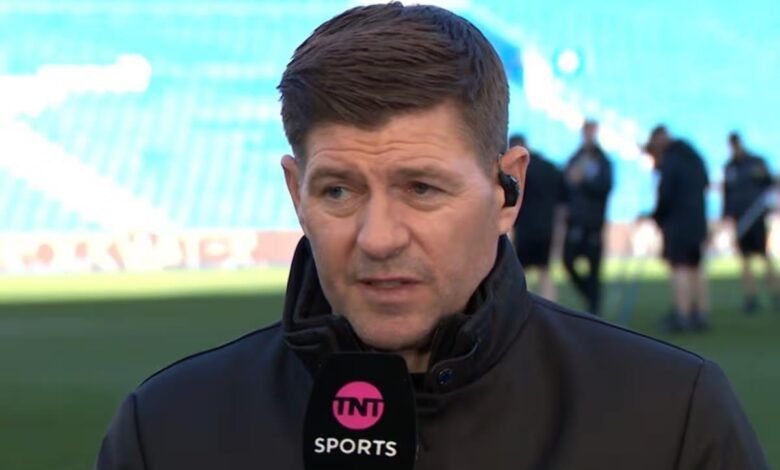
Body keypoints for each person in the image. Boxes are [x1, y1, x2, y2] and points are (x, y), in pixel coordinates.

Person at [96, 4, 767, 469]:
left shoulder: (671, 418)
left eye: (421, 188)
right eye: (338, 192)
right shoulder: (167, 429)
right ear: (296, 194)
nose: (379, 238)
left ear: (508, 190)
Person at [645, 125, 711, 332]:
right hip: (697, 219)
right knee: (696, 266)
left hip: (678, 222)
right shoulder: (694, 157)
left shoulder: (671, 161)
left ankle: (682, 314)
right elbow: (705, 182)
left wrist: (657, 215)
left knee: (679, 267)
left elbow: (665, 194)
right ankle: (700, 312)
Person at [723, 132, 780, 313]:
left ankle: (776, 294)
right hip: (740, 219)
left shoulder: (757, 162)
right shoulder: (730, 167)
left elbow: (771, 182)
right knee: (745, 258)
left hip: (756, 217)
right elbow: (727, 193)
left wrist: (764, 176)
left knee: (763, 256)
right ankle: (750, 297)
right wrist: (727, 215)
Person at [562, 120, 613, 315]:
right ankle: (589, 295)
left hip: (594, 221)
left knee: (594, 266)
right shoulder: (575, 158)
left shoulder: (602, 160)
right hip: (576, 221)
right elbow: (566, 183)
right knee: (568, 260)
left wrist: (583, 181)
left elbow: (605, 186)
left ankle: (594, 306)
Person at [510, 133, 565, 300]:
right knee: (545, 270)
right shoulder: (550, 168)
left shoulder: (518, 171)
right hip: (546, 227)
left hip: (525, 227)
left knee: (522, 270)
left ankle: (523, 305)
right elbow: (564, 200)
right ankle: (550, 305)